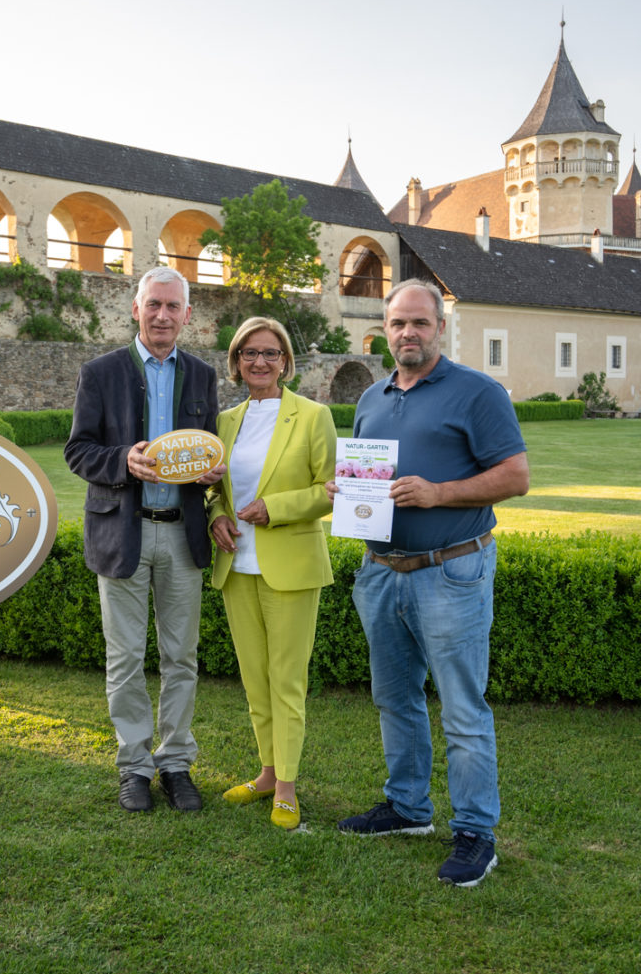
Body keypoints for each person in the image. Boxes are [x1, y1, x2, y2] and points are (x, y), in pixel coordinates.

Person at [332, 278, 529, 887]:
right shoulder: (372, 397)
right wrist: (350, 492)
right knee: (395, 698)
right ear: (384, 329)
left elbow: (516, 476)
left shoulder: (478, 392)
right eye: (397, 324)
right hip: (382, 571)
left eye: (419, 323)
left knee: (463, 709)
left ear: (439, 327)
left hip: (452, 569)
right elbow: (369, 478)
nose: (408, 334)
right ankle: (408, 808)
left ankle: (475, 833)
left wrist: (440, 493)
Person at [65, 266, 224, 814]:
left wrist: (212, 472)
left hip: (182, 536)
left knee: (182, 657)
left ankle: (176, 763)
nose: (162, 315)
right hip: (123, 533)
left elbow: (210, 447)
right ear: (136, 309)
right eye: (153, 305)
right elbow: (78, 451)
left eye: (172, 307)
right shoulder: (101, 371)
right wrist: (122, 461)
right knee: (126, 658)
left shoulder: (202, 376)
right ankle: (134, 766)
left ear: (186, 315)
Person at [207, 317, 336, 831]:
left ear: (286, 360)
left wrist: (274, 507)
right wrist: (216, 514)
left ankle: (287, 787)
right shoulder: (224, 422)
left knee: (287, 681)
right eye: (248, 353)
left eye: (270, 353)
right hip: (236, 566)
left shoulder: (313, 416)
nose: (259, 362)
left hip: (291, 567)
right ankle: (265, 773)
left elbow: (330, 488)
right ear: (236, 361)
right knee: (255, 679)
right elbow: (212, 486)